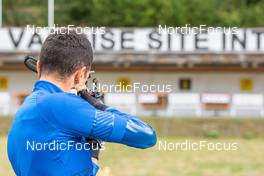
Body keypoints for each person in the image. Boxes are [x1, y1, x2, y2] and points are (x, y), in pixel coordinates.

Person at [7, 30, 156, 176]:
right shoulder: (64, 106)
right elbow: (146, 135)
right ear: (79, 75)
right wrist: (96, 104)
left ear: (38, 67)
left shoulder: (23, 110)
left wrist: (93, 149)